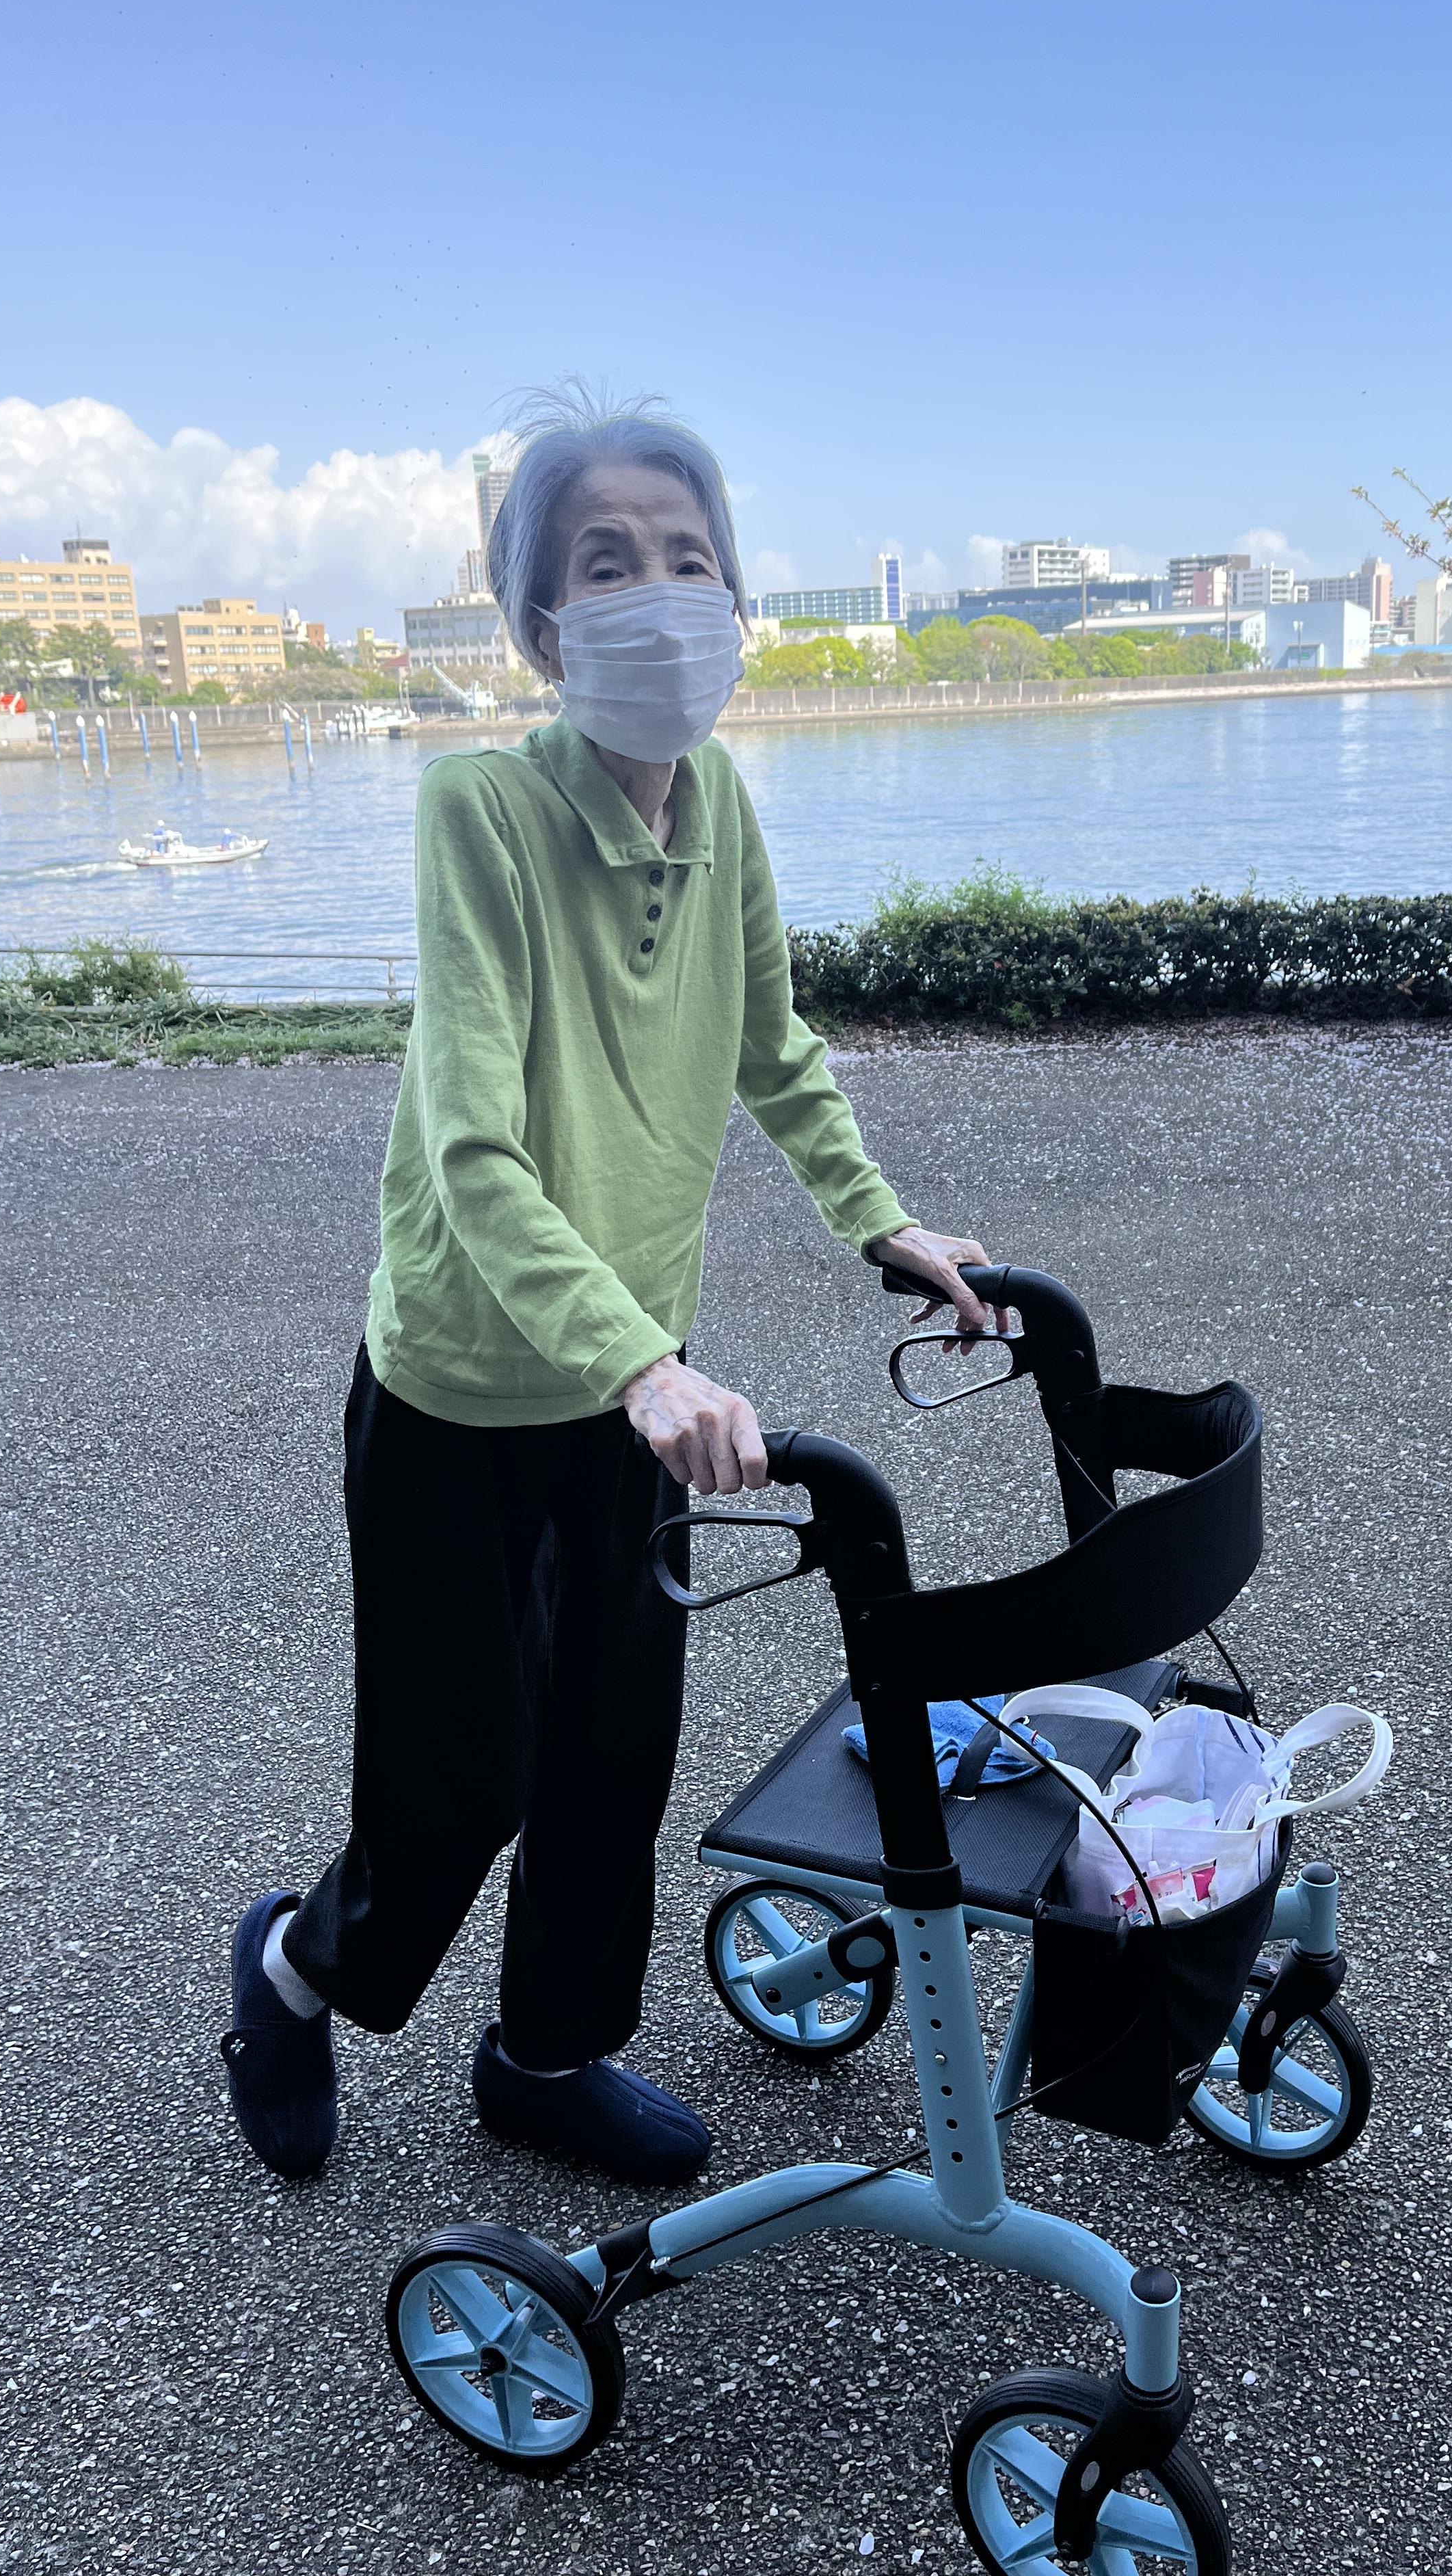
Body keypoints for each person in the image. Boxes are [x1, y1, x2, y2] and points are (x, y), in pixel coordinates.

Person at [221, 388, 1004, 2186]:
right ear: (539, 626)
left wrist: (881, 1221)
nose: (661, 591)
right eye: (606, 561)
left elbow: (773, 1048)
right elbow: (475, 1150)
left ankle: (548, 2056)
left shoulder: (720, 800)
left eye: (689, 556)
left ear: (735, 596)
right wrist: (645, 1366)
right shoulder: (480, 813)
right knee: (458, 1783)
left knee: (610, 1754)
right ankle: (293, 1970)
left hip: (638, 1382)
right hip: (467, 1389)